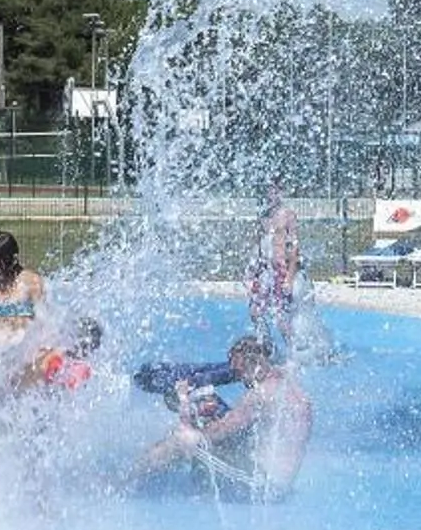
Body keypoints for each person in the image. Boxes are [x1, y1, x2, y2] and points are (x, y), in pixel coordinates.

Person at [132, 335, 313, 498]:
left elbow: (214, 434)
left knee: (182, 440)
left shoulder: (260, 395)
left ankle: (128, 480)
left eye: (240, 372)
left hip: (263, 484)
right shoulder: (291, 388)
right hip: (280, 483)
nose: (242, 380)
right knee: (207, 413)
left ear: (252, 365)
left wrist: (184, 404)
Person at [246, 181, 301, 351]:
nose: (271, 194)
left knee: (280, 319)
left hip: (281, 271)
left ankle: (295, 351)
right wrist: (251, 273)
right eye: (269, 191)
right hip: (265, 271)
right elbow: (257, 246)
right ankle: (266, 347)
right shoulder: (263, 217)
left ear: (281, 192)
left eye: (275, 191)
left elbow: (294, 248)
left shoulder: (288, 215)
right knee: (255, 312)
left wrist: (289, 279)